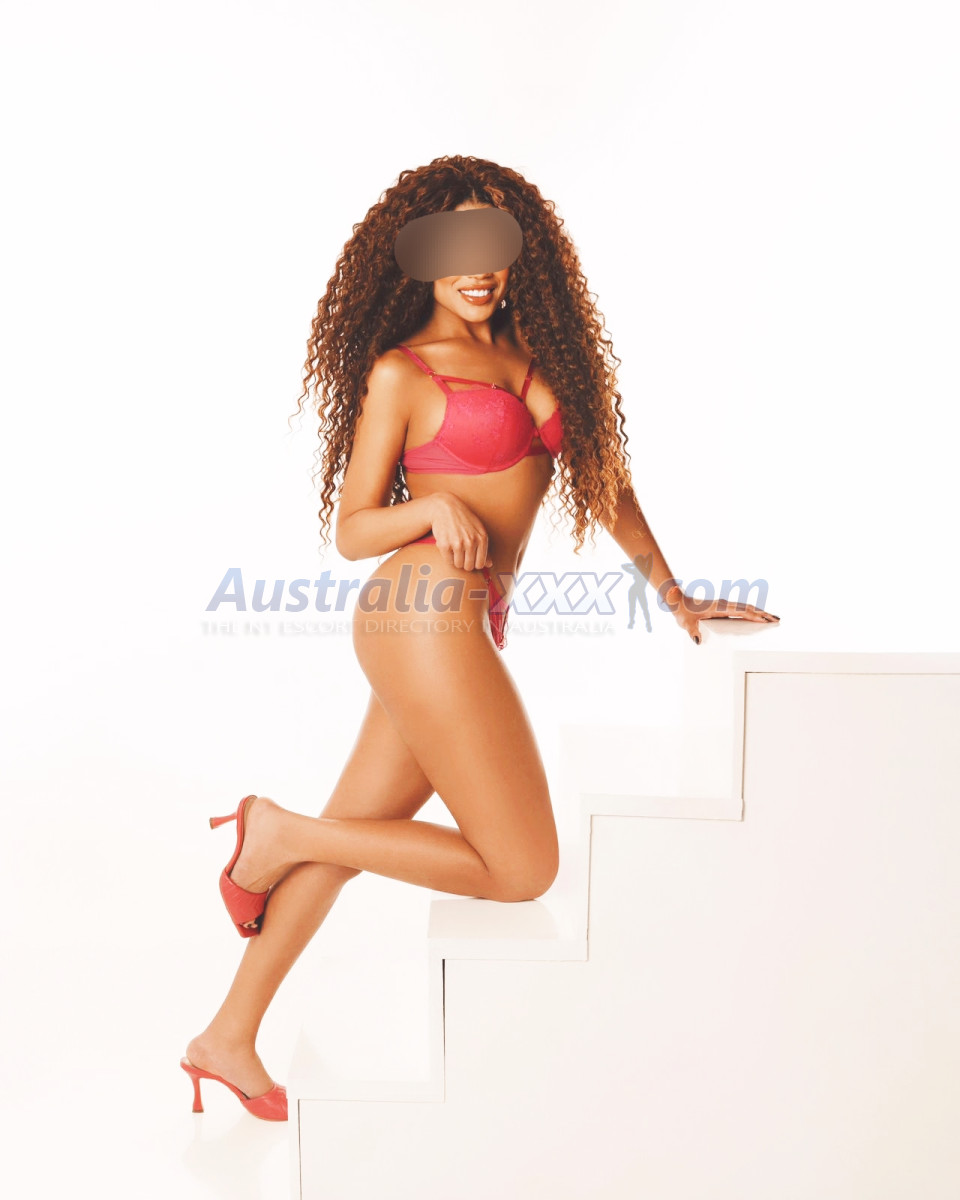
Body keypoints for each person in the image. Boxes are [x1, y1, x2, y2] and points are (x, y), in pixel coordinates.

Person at [180, 154, 780, 1121]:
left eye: (495, 244)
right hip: (420, 612)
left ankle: (227, 1035)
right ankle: (279, 833)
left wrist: (673, 593)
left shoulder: (534, 360)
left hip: (450, 626)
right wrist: (433, 507)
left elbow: (604, 485)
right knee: (524, 867)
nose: (478, 266)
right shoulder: (403, 372)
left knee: (355, 831)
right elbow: (353, 530)